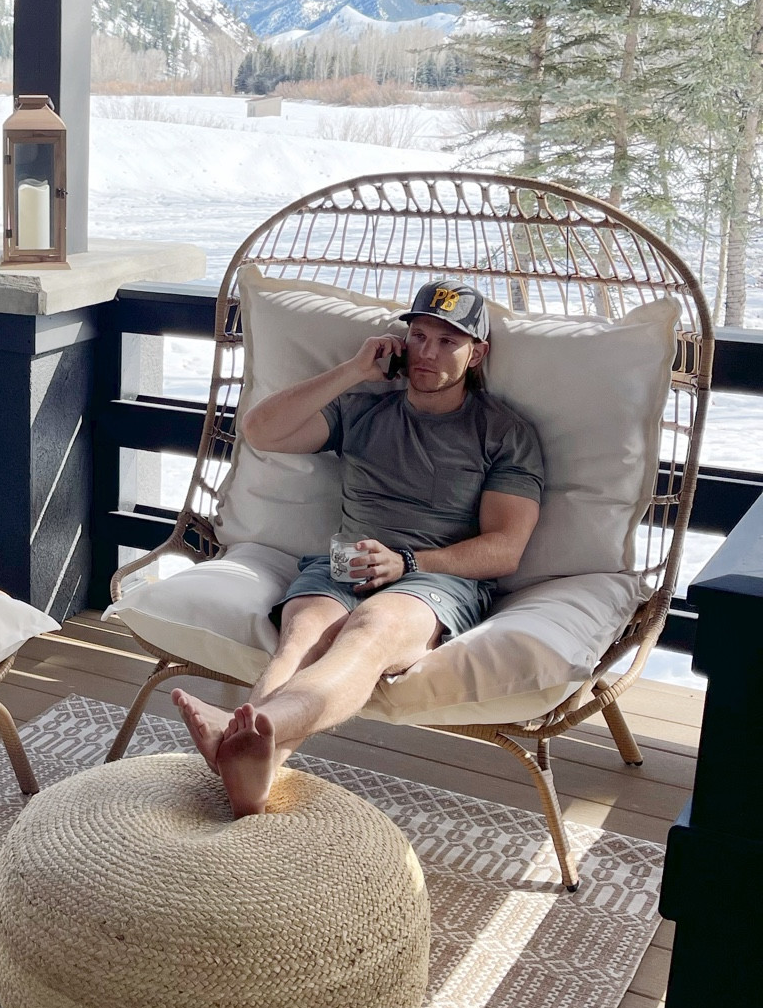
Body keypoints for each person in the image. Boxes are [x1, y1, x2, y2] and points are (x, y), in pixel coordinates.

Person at [175, 281, 545, 817]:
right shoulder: (365, 408)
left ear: (477, 352)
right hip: (343, 565)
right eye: (418, 336)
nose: (427, 353)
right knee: (301, 639)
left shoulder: (503, 432)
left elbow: (504, 550)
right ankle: (252, 777)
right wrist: (353, 370)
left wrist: (409, 562)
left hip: (436, 580)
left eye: (448, 342)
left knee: (369, 632)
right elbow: (259, 431)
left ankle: (251, 728)